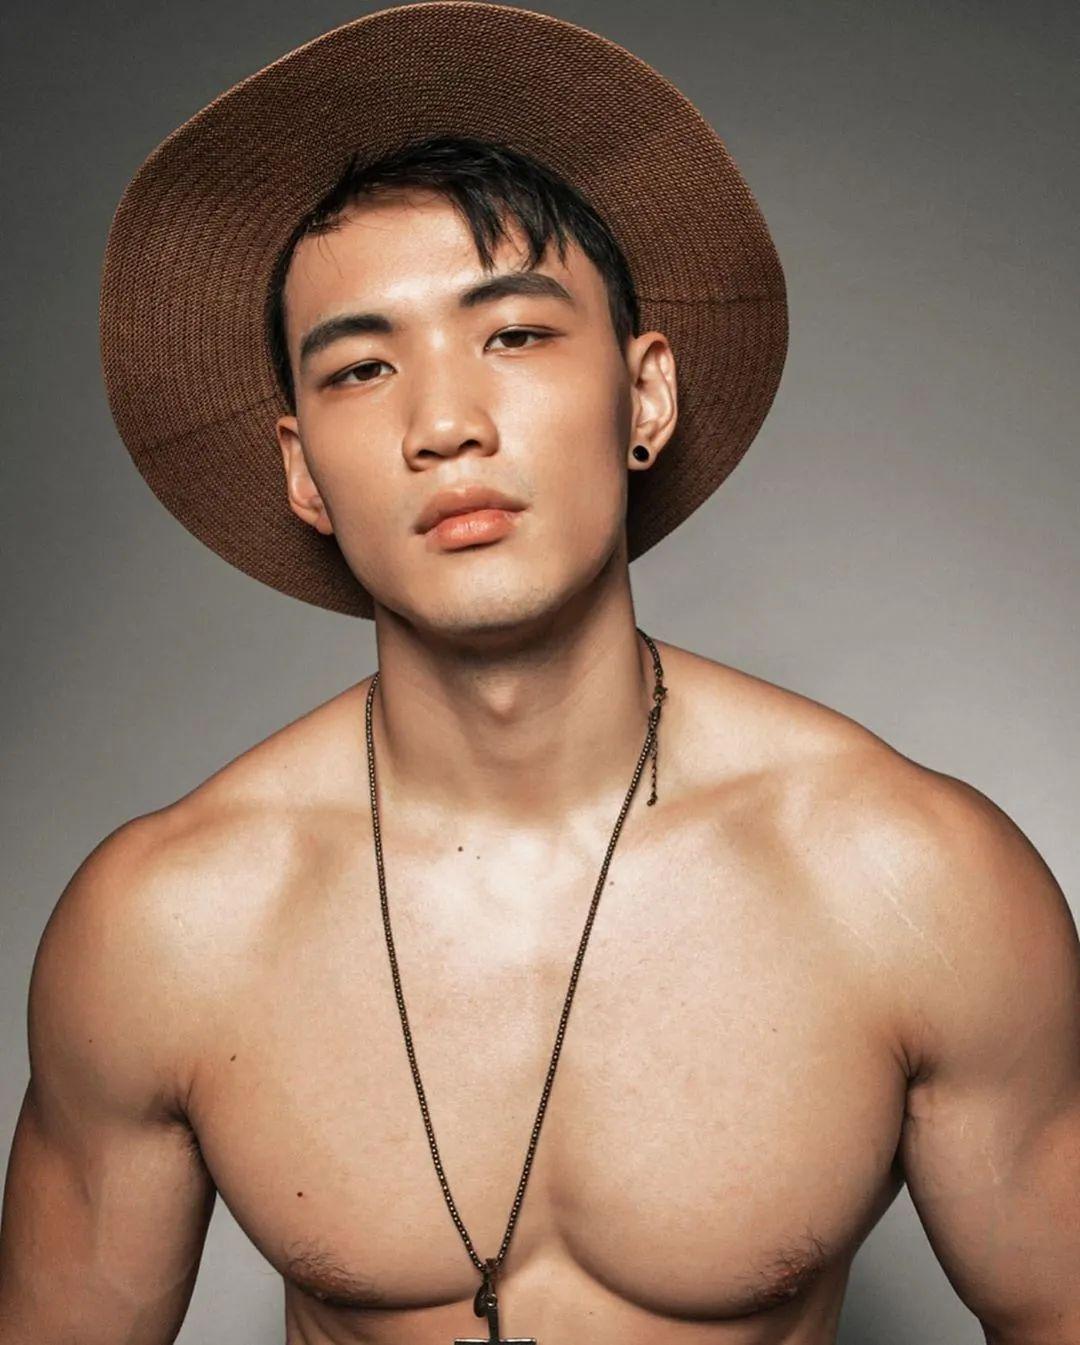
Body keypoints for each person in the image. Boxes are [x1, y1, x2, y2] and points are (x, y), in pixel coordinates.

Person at [2, 5, 1078, 1344]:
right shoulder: (164, 927)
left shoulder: (911, 883)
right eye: (361, 367)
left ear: (646, 397)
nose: (444, 423)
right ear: (301, 470)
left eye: (512, 335)